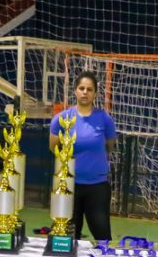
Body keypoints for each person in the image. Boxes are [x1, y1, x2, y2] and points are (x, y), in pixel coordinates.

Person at [49, 71, 117, 241]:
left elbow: (109, 146)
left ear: (95, 93)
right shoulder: (61, 119)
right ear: (75, 91)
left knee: (103, 237)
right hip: (68, 187)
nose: (85, 92)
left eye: (89, 89)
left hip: (97, 187)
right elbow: (54, 149)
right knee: (67, 239)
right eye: (81, 88)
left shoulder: (105, 119)